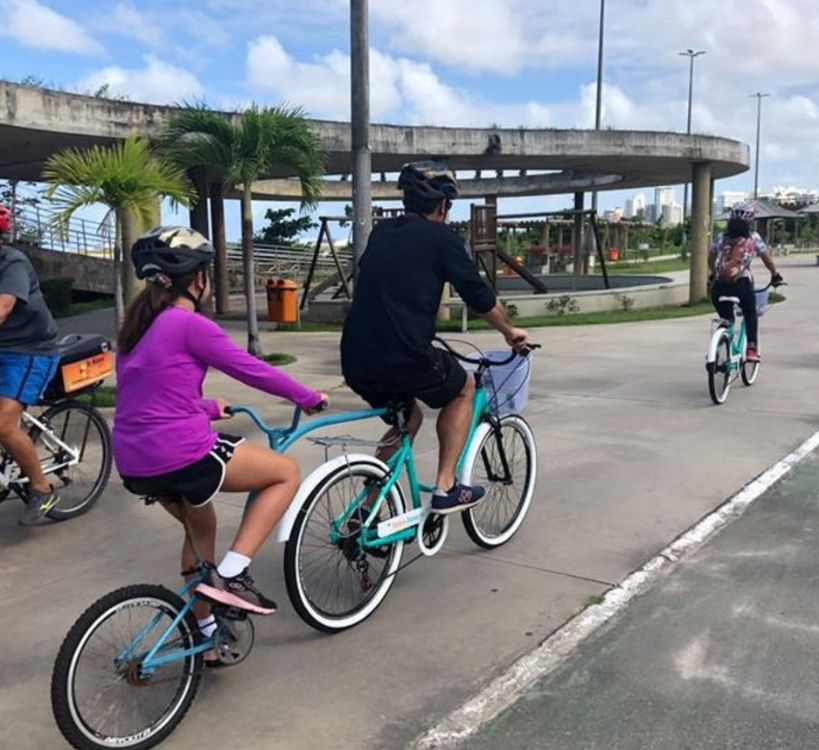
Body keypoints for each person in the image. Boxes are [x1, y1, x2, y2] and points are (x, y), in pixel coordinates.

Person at [113, 226, 327, 627]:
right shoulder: (187, 323)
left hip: (134, 461)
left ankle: (205, 632)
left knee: (201, 525)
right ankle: (233, 574)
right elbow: (254, 371)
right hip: (179, 452)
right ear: (199, 280)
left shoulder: (136, 330)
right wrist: (308, 397)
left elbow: (148, 394)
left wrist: (208, 406)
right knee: (285, 474)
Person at [340, 161, 529, 515]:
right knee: (464, 389)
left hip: (356, 358)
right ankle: (447, 487)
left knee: (407, 420)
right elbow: (478, 294)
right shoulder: (443, 239)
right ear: (443, 205)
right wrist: (509, 331)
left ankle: (367, 507)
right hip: (405, 356)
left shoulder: (381, 233)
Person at [0, 205, 63, 526]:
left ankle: (42, 486)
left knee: (3, 425)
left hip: (29, 351)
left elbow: (3, 306)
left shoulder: (11, 262)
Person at [709, 202, 783, 363]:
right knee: (750, 312)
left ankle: (721, 343)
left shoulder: (721, 237)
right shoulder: (754, 238)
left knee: (726, 318)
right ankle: (751, 349)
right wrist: (775, 275)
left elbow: (711, 259)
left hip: (718, 288)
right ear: (750, 222)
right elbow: (767, 260)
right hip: (741, 285)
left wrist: (714, 274)